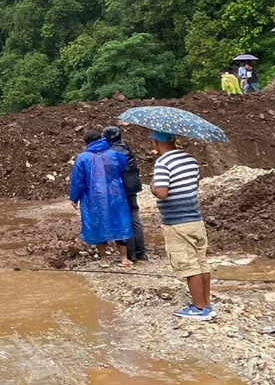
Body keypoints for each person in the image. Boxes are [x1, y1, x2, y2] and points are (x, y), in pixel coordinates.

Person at [150, 131, 215, 320]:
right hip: (195, 218)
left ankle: (199, 308)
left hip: (177, 222)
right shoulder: (190, 159)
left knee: (188, 265)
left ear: (155, 142)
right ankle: (206, 303)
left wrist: (153, 186)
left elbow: (162, 193)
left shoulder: (163, 163)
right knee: (201, 262)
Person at [69, 130, 132, 268]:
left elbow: (78, 181)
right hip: (116, 194)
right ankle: (124, 259)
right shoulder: (115, 155)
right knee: (120, 222)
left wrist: (74, 197)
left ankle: (104, 259)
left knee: (97, 224)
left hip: (94, 197)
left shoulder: (82, 158)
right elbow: (122, 168)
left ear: (87, 143)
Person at [103, 126, 146, 261]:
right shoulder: (127, 149)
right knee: (134, 218)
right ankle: (141, 252)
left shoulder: (111, 153)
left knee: (124, 220)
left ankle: (130, 254)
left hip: (120, 191)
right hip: (132, 188)